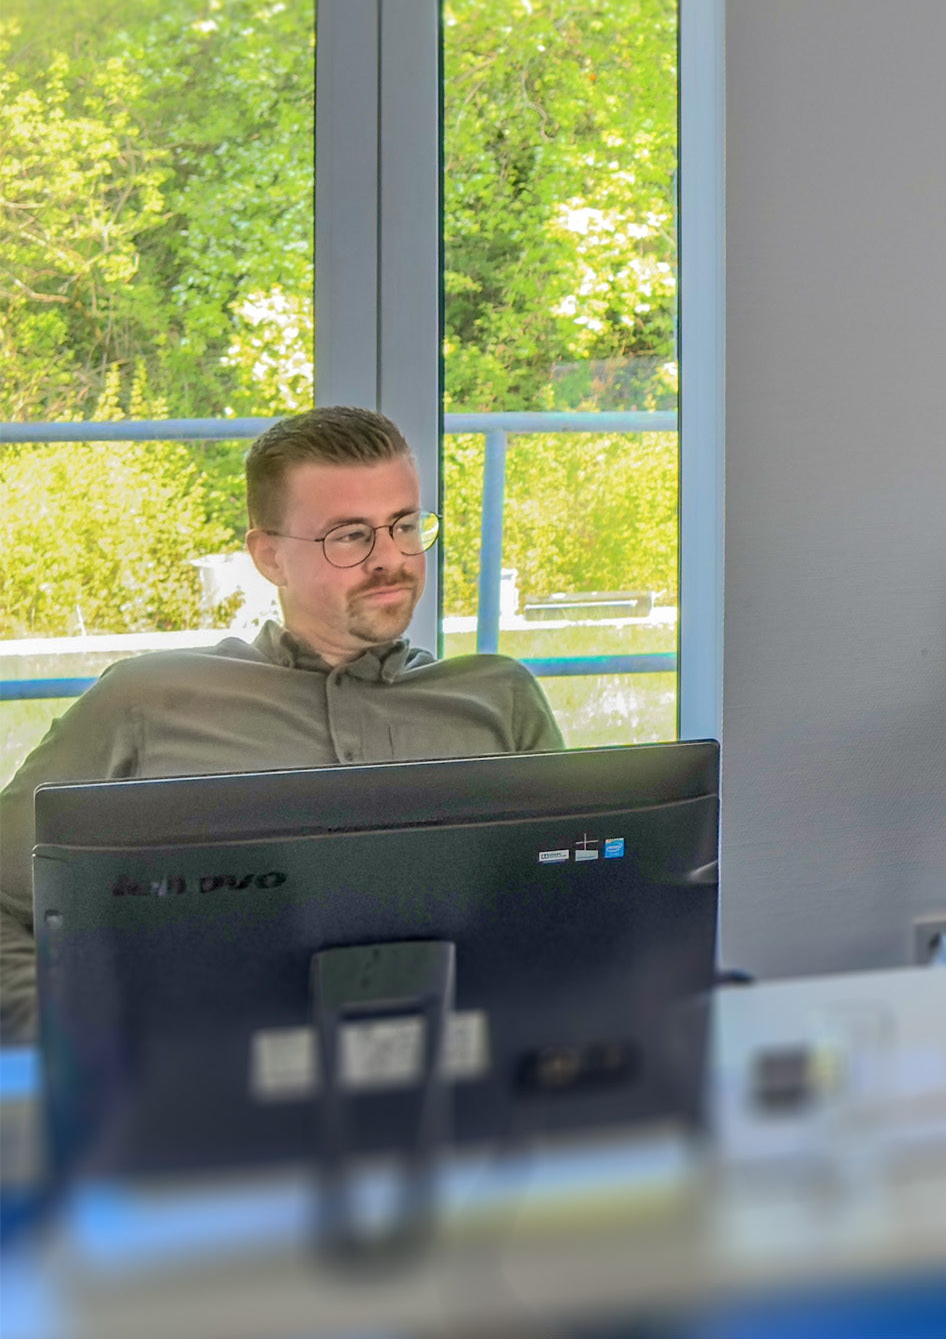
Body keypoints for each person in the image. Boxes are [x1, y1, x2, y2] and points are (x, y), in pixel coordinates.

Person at [0, 406, 562, 1038]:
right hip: (208, 1077)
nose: (390, 558)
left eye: (405, 525)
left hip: (469, 1067)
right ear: (270, 557)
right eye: (349, 535)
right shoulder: (147, 703)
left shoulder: (498, 700)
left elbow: (576, 902)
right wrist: (64, 1040)